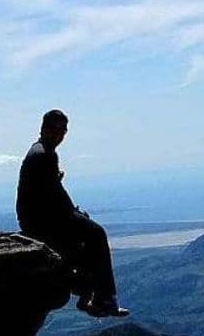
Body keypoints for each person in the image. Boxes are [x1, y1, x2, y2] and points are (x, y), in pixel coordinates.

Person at [16, 109, 129, 318]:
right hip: (44, 220)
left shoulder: (40, 152)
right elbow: (54, 195)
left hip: (37, 217)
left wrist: (72, 212)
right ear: (44, 129)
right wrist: (74, 213)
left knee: (81, 243)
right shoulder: (44, 155)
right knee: (97, 234)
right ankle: (104, 298)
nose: (59, 135)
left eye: (63, 131)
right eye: (55, 129)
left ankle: (87, 294)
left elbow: (50, 192)